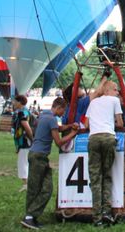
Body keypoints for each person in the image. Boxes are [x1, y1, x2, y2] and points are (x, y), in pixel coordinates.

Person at [21, 97, 77, 230]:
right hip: (39, 157)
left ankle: (31, 216)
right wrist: (73, 134)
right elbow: (58, 142)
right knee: (36, 188)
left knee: (46, 188)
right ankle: (29, 217)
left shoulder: (44, 115)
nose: (63, 113)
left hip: (37, 155)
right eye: (64, 110)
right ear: (59, 107)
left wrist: (68, 126)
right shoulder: (51, 118)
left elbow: (57, 128)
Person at [85, 79, 124, 226]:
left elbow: (87, 124)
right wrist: (109, 123)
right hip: (108, 137)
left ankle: (97, 218)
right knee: (106, 175)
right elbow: (120, 123)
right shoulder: (114, 100)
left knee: (95, 178)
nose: (117, 91)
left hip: (93, 139)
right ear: (107, 91)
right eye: (115, 89)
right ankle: (107, 212)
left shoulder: (93, 102)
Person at [13, 95, 34, 192]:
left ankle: (26, 184)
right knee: (25, 161)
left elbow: (27, 127)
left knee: (23, 162)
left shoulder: (22, 113)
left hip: (25, 141)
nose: (13, 103)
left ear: (19, 102)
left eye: (15, 101)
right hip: (25, 140)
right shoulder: (25, 111)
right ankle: (28, 183)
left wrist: (32, 139)